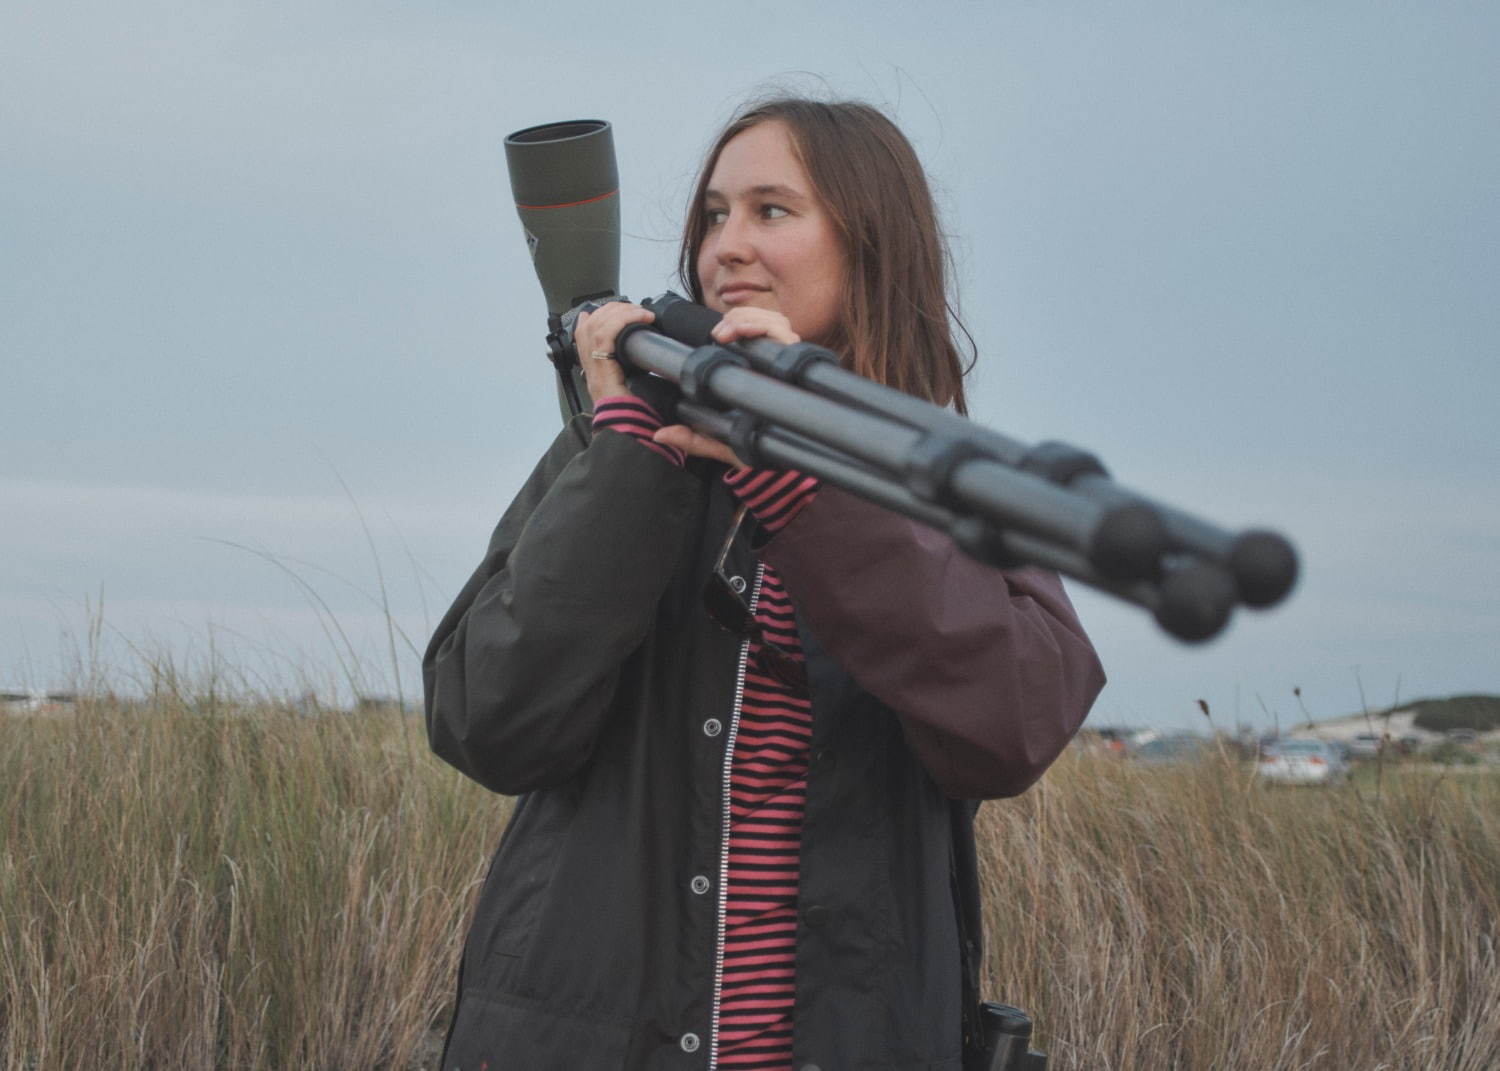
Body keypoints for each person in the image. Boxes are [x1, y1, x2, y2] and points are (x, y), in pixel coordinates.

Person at [423, 97, 1105, 1071]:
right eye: (713, 215)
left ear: (870, 245)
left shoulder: (949, 478)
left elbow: (1013, 728)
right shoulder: (622, 441)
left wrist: (811, 500)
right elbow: (484, 723)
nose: (727, 246)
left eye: (773, 212)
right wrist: (622, 460)